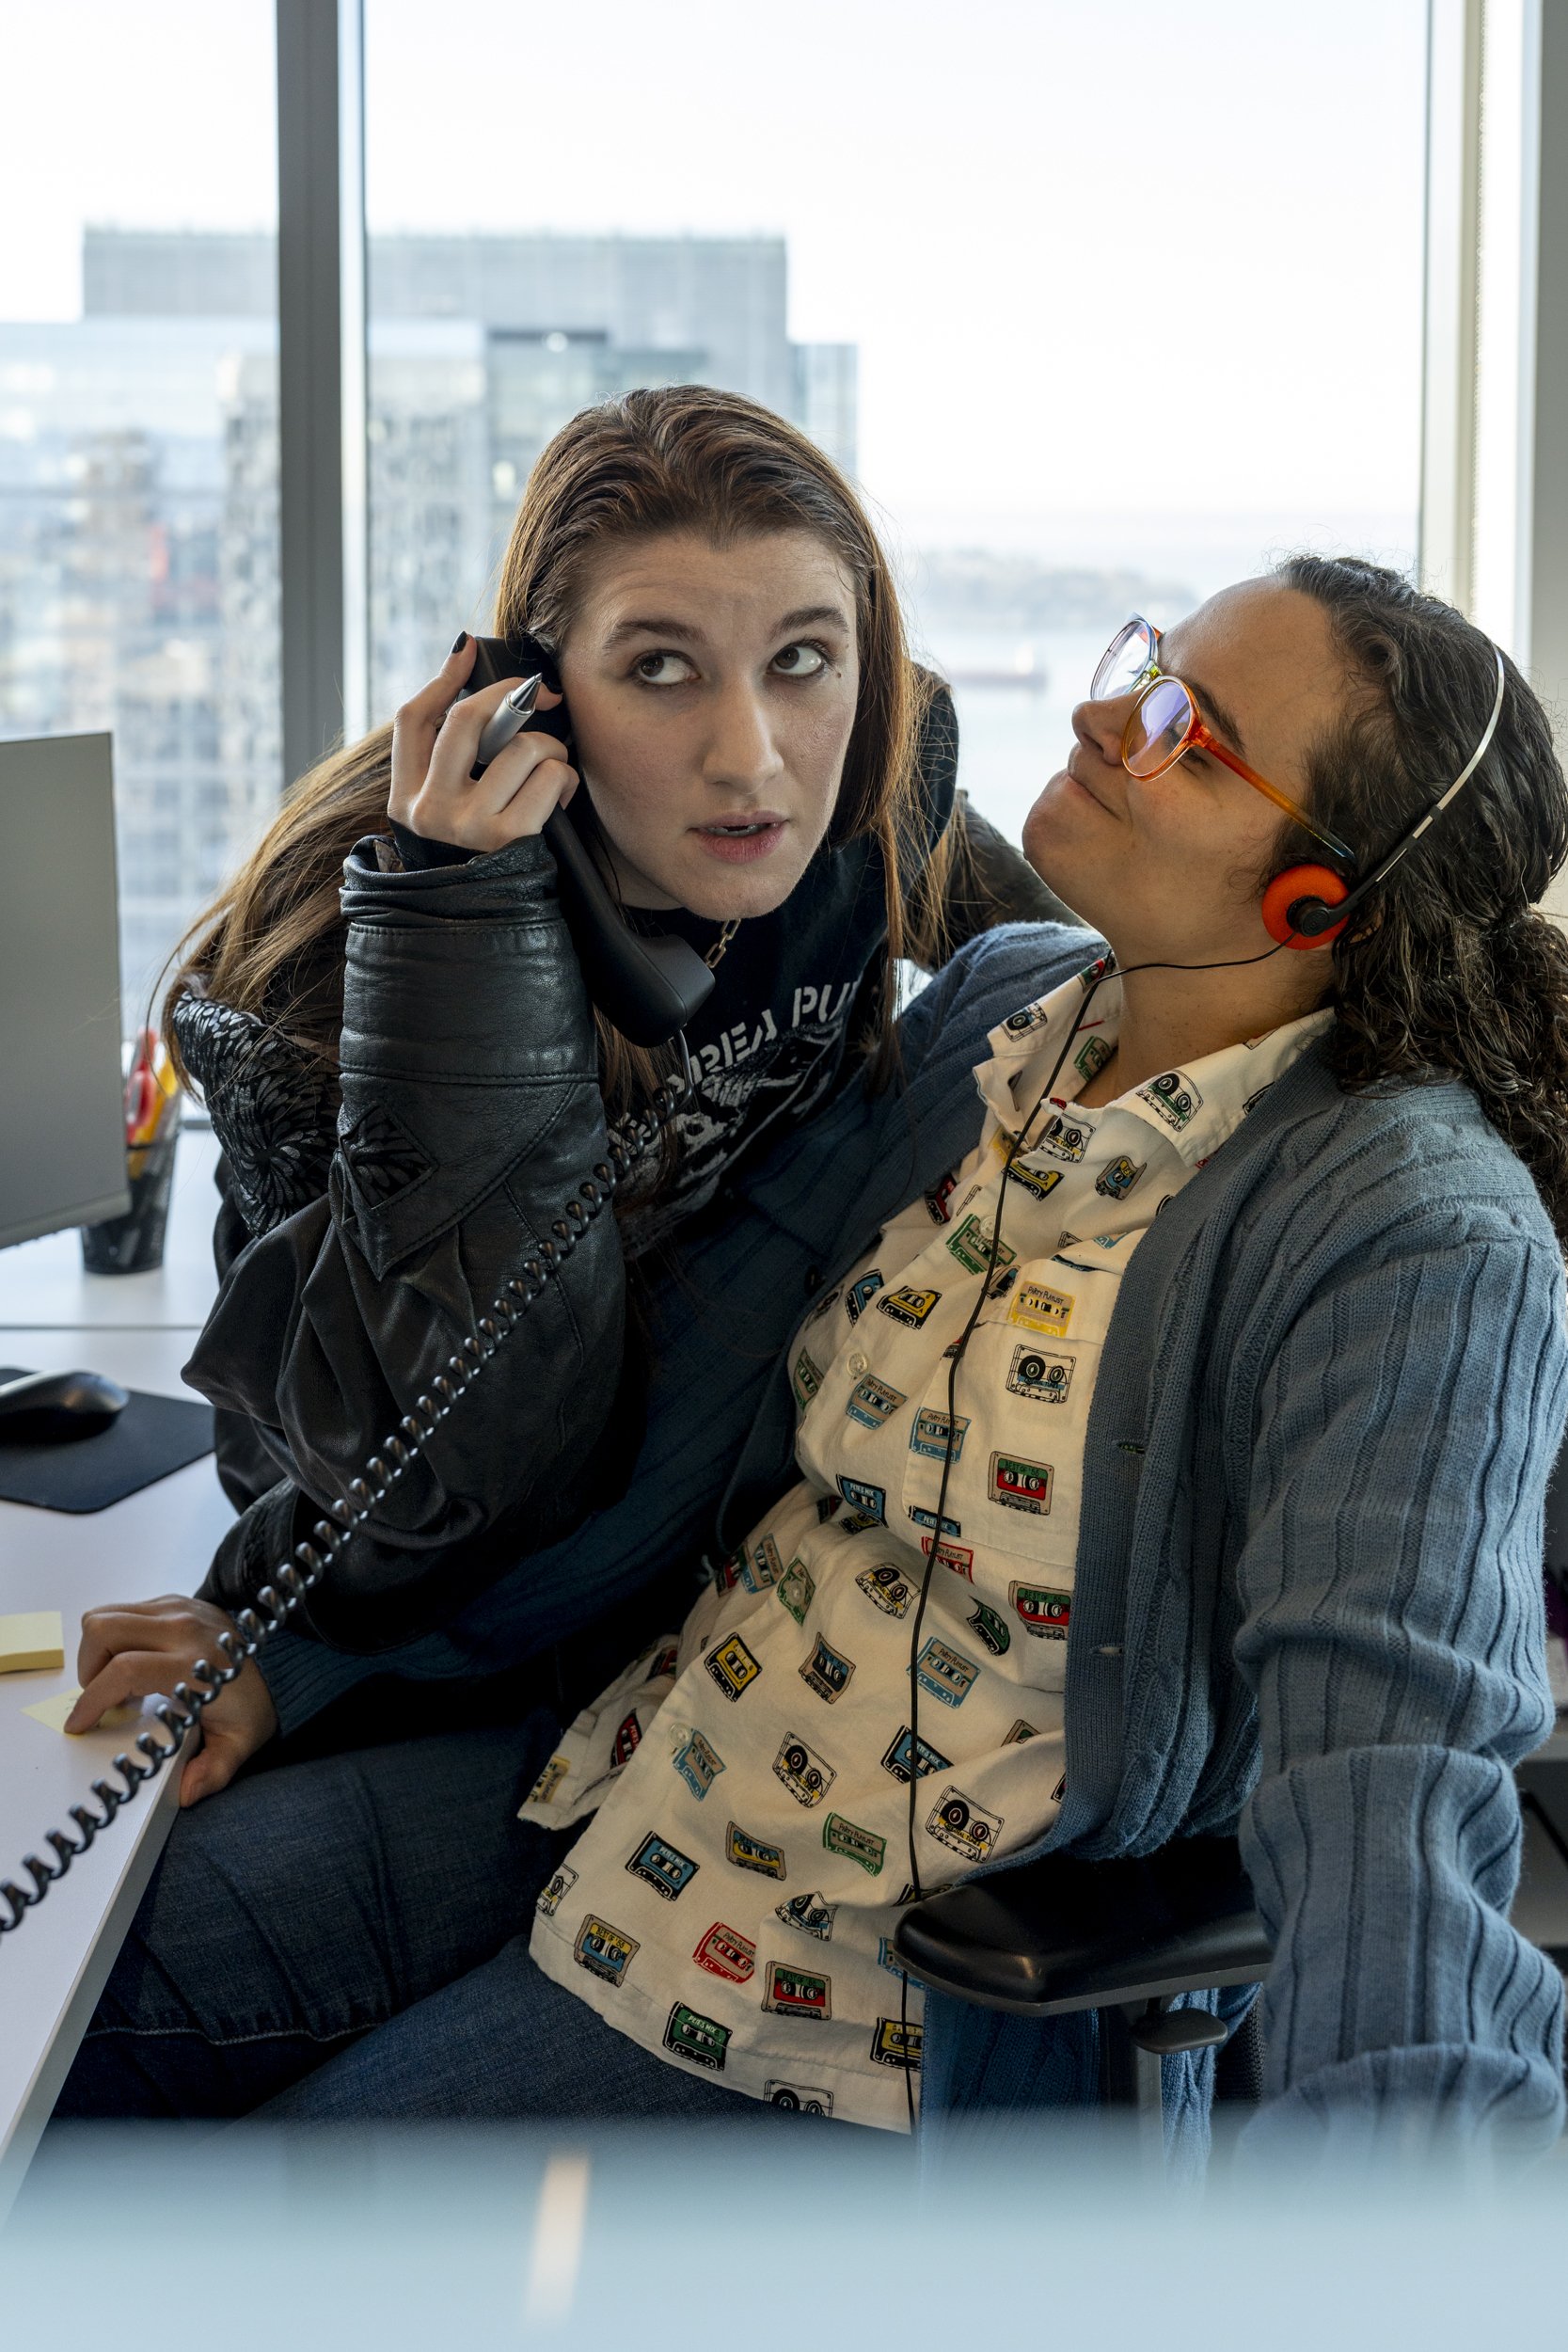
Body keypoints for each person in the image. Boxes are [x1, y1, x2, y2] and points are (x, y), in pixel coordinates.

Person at [60, 557, 1568, 2169]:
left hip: (849, 2004)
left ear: (1321, 898)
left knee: (216, 2243)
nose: (1097, 712)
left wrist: (1425, 2237)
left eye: (1185, 727)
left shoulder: (1407, 1228)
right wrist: (299, 1649)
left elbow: (1394, 1771)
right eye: (1146, 661)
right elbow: (667, 1421)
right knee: (57, 1995)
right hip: (622, 1779)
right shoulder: (1007, 1011)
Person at [63, 385, 1066, 1799]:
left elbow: (1114, 992)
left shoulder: (863, 803)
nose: (751, 756)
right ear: (530, 691)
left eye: (803, 660)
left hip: (693, 1477)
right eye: (661, 669)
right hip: (410, 1547)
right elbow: (436, 1461)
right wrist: (465, 932)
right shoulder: (333, 954)